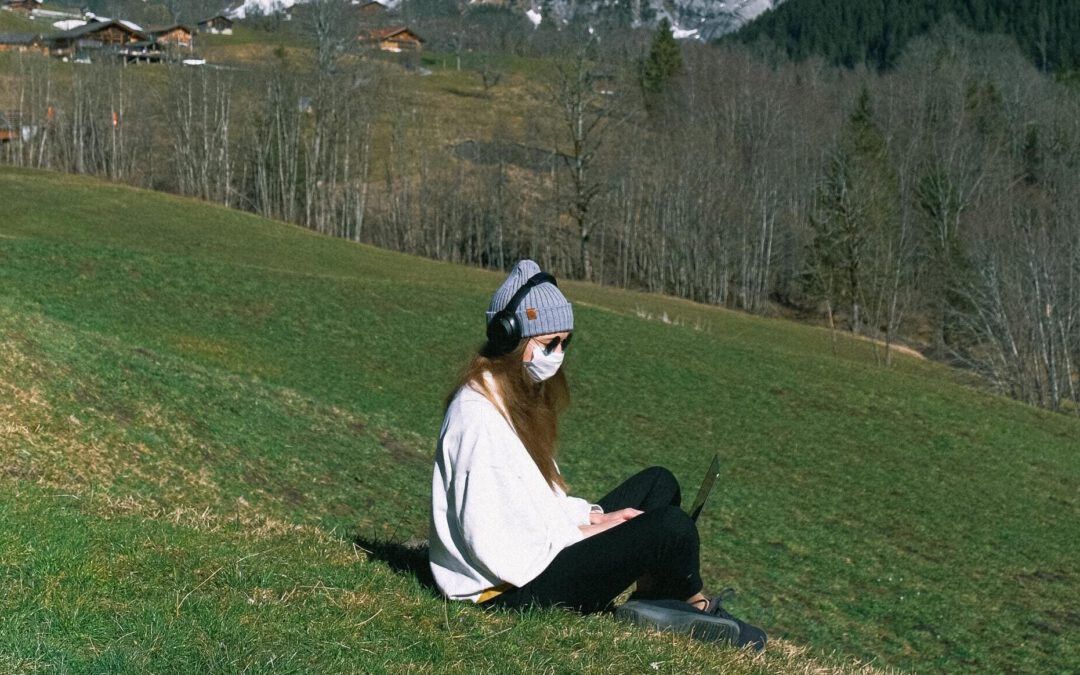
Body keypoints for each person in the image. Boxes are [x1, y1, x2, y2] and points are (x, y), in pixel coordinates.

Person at [428, 260, 766, 650]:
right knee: (672, 528)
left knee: (659, 483)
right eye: (549, 343)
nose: (558, 354)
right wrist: (587, 532)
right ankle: (696, 605)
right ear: (510, 339)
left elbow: (534, 499)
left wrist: (589, 516)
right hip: (507, 593)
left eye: (565, 343)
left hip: (534, 559)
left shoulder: (508, 398)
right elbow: (497, 542)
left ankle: (655, 600)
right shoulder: (478, 418)